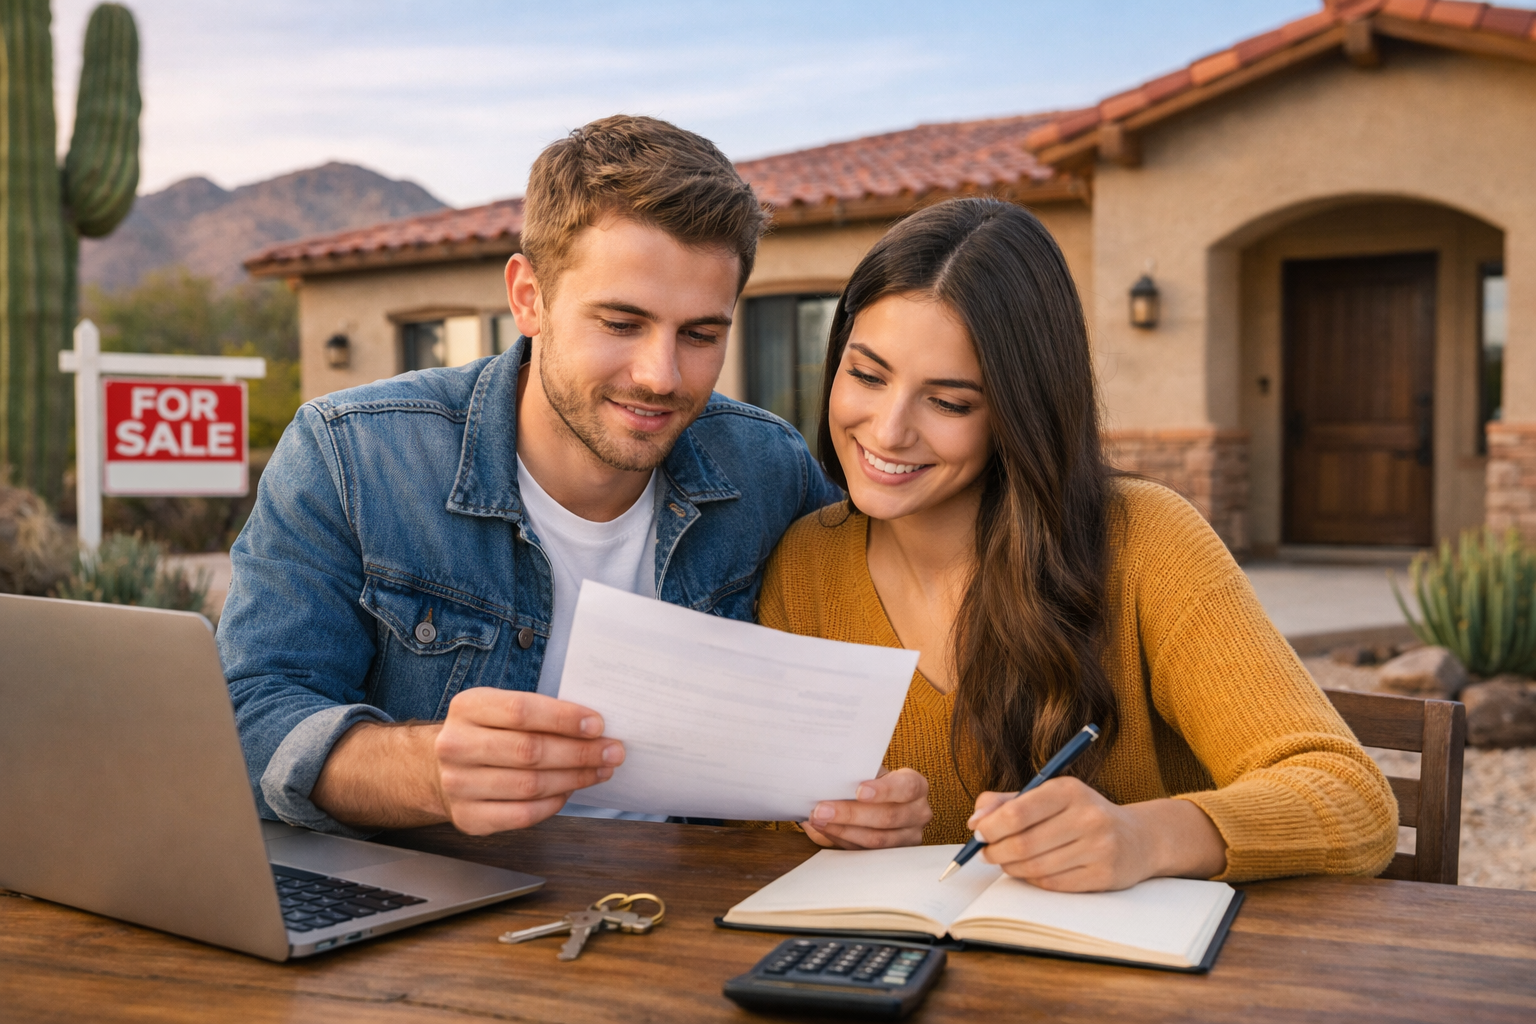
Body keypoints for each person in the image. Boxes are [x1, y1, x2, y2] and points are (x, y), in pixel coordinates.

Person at [219, 115, 849, 837]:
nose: (660, 376)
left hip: (695, 908)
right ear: (529, 298)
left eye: (701, 334)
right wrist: (424, 771)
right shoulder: (351, 457)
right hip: (441, 908)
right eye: (621, 323)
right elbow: (252, 712)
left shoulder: (771, 469)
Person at [760, 197, 1398, 891]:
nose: (886, 432)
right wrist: (818, 821)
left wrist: (1143, 837)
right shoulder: (804, 564)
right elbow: (746, 832)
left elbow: (1353, 799)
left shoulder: (1147, 541)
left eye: (949, 402)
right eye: (866, 375)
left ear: (1021, 413)